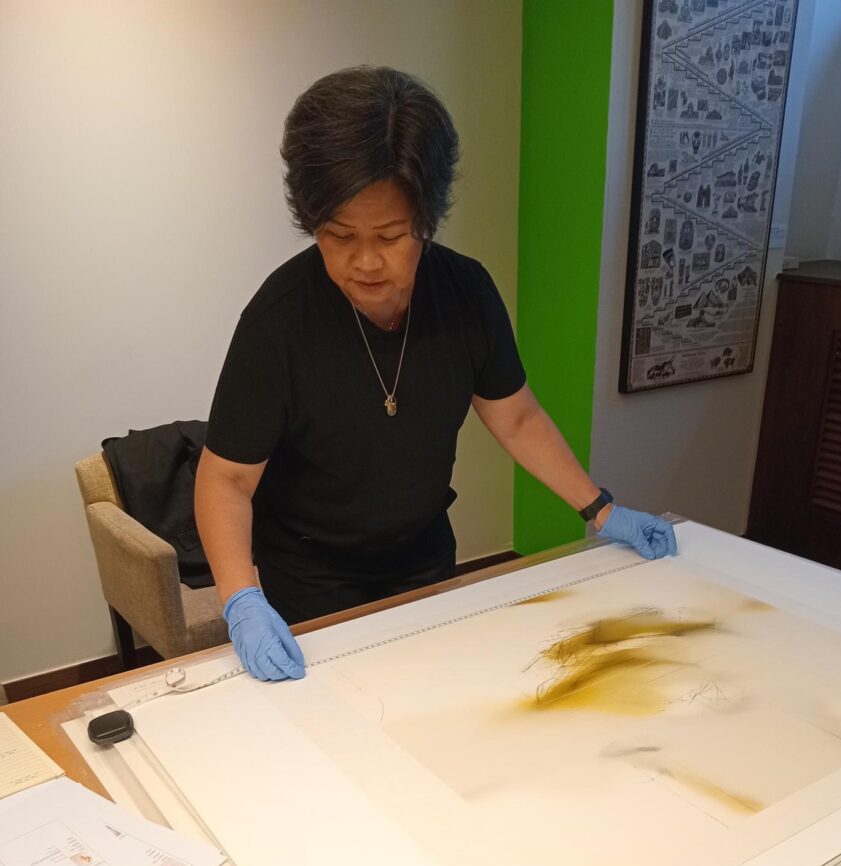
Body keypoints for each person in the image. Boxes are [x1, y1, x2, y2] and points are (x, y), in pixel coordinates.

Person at [195, 66, 677, 683]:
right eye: (339, 236)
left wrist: (600, 509)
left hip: (424, 563)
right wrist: (241, 601)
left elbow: (518, 416)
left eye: (392, 237)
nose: (365, 262)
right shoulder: (279, 321)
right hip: (311, 585)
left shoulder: (466, 293)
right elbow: (227, 480)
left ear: (428, 219)